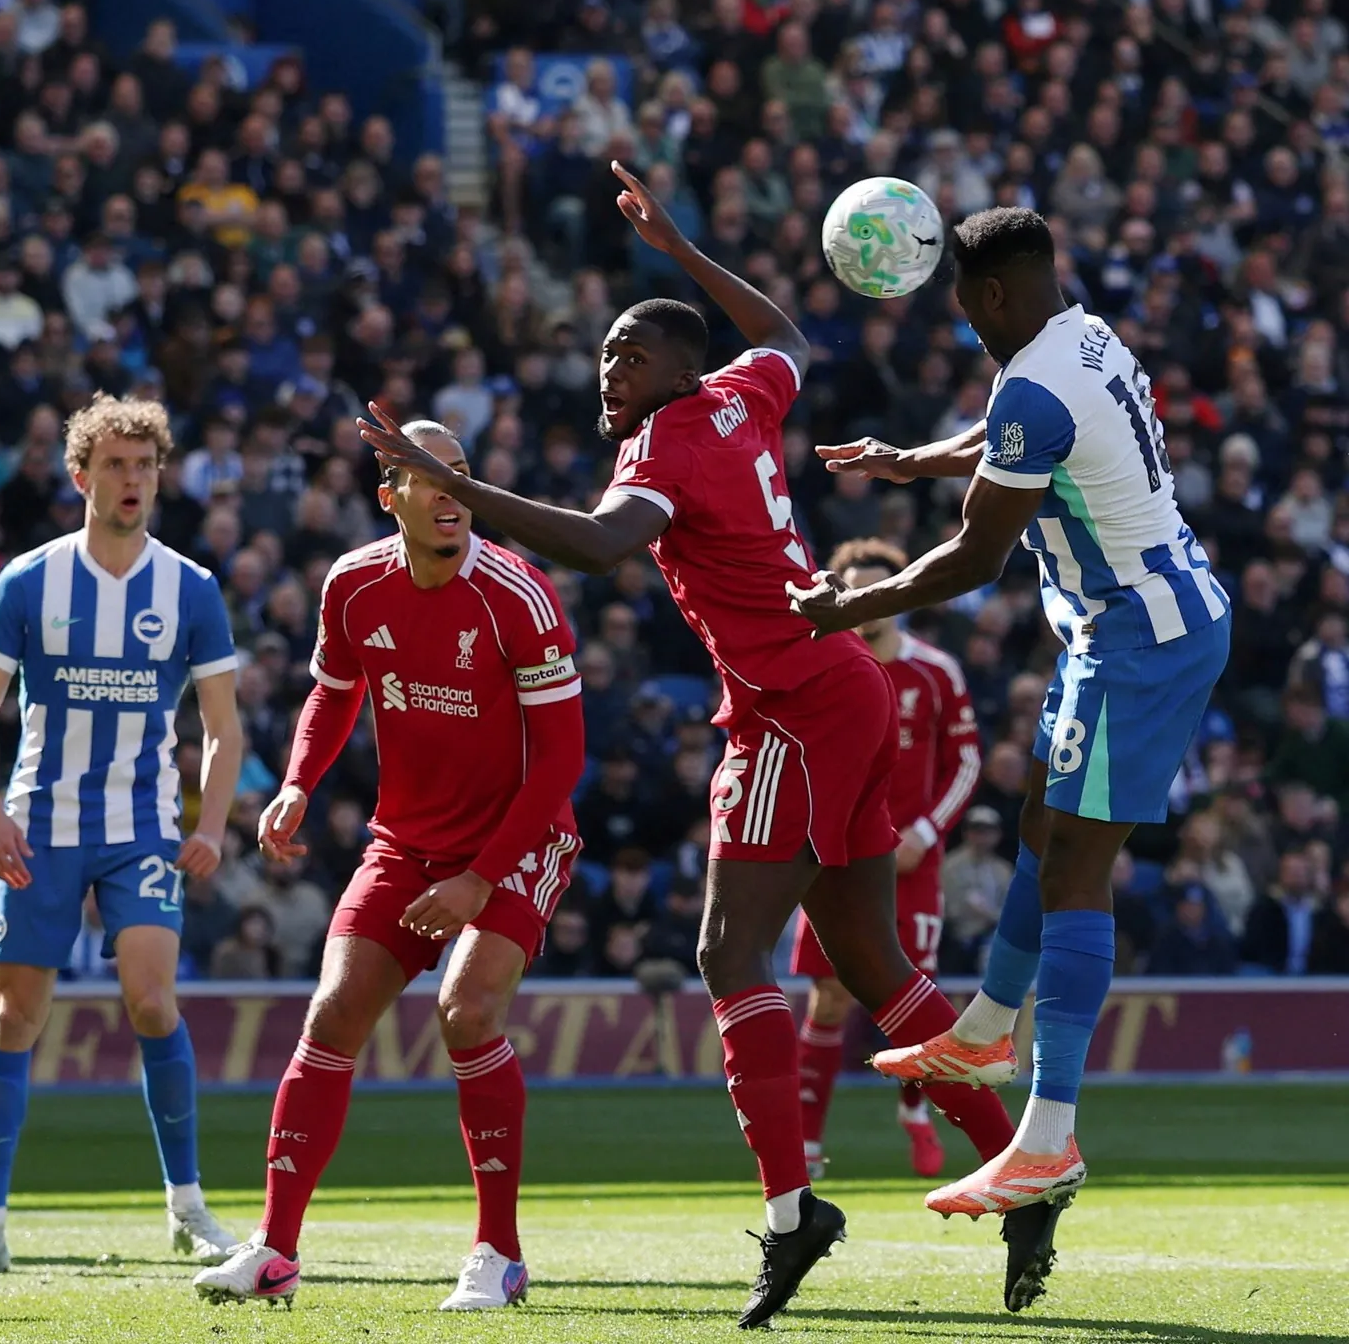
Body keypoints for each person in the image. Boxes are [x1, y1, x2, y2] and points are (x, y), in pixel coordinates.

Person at [358, 162, 1015, 1329]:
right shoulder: (743, 393)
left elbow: (601, 544)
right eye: (605, 353)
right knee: (871, 966)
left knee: (726, 951)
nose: (607, 369)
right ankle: (1020, 1170)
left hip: (791, 704)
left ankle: (792, 1213)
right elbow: (784, 333)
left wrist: (456, 484)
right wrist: (676, 250)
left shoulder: (664, 442)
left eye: (629, 353)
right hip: (837, 687)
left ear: (674, 371)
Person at [791, 206, 1231, 1311]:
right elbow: (1007, 435)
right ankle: (985, 1030)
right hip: (1118, 625)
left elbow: (973, 557)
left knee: (1076, 865)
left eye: (958, 299)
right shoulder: (1079, 337)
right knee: (1040, 819)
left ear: (988, 295)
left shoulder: (1033, 387)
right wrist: (911, 461)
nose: (959, 316)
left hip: (1141, 637)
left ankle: (1047, 1136)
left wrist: (849, 608)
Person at [192, 421, 585, 1312]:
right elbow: (333, 693)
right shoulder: (353, 583)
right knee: (332, 1014)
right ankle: (275, 1251)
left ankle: (499, 1254)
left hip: (517, 842)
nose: (452, 492)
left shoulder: (517, 595)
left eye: (462, 475)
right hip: (405, 843)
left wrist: (480, 879)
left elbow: (562, 760)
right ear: (389, 497)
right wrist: (298, 784)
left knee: (466, 1012)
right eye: (429, 477)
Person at [0, 396, 246, 1276]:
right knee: (15, 1016)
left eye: (145, 465)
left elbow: (223, 726)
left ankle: (187, 1208)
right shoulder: (29, 580)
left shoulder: (190, 588)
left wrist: (211, 824)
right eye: (115, 465)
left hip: (141, 827)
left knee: (152, 1001)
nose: (132, 479)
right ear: (81, 476)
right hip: (40, 823)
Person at [790, 540, 981, 1182]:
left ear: (898, 596)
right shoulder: (820, 661)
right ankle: (806, 1145)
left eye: (878, 591)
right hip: (835, 860)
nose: (866, 605)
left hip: (910, 862)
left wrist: (924, 832)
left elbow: (966, 762)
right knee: (829, 997)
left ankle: (916, 1112)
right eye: (853, 592)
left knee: (912, 996)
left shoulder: (935, 671)